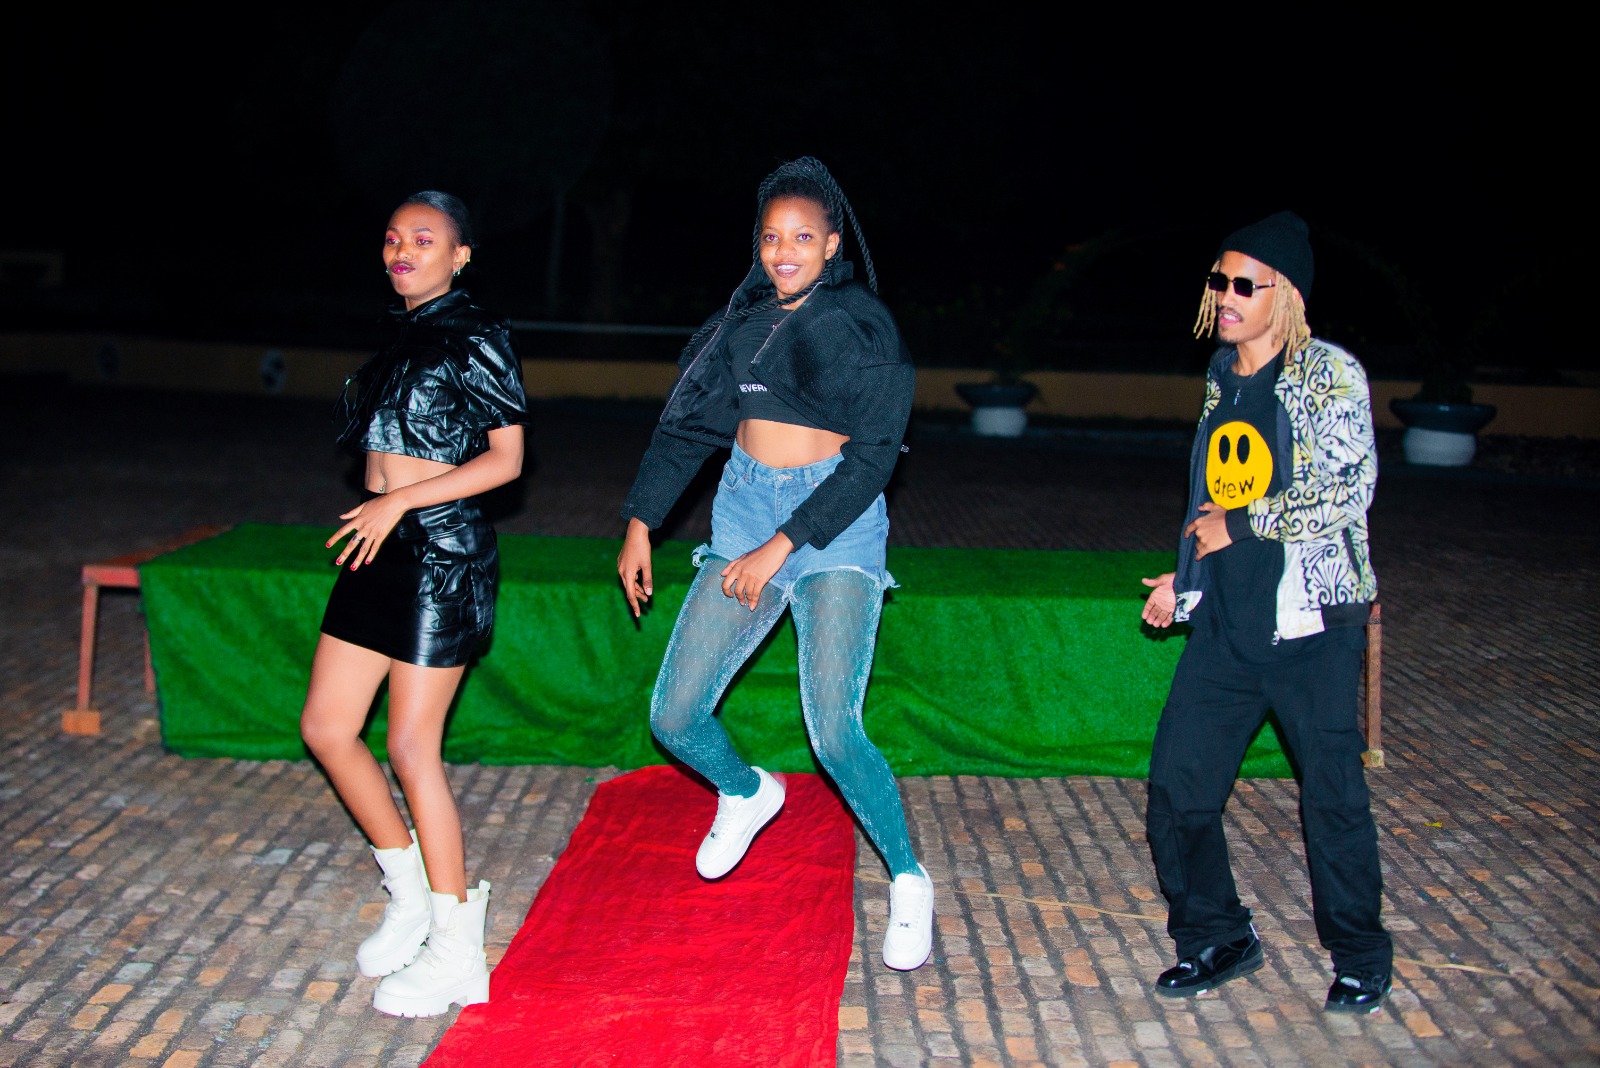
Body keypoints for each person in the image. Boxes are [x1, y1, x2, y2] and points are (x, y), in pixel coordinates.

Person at [615, 156, 934, 971]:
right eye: (771, 238)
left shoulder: (864, 327)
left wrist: (782, 545)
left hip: (836, 523)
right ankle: (746, 790)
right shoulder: (741, 324)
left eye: (801, 237)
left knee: (834, 730)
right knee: (674, 715)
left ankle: (908, 879)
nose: (784, 251)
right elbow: (689, 427)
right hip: (743, 508)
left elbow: (873, 461)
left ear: (832, 245)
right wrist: (642, 521)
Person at [1139, 211, 1394, 1013]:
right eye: (1219, 280)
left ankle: (1360, 954)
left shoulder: (1329, 373)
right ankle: (1216, 935)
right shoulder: (1222, 377)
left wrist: (1242, 526)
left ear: (1286, 294)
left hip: (1313, 625)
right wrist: (1186, 580)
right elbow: (1210, 496)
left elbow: (1348, 488)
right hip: (1229, 624)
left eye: (1244, 284)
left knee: (1332, 797)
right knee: (1177, 789)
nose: (1226, 296)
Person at [299, 190, 528, 1017]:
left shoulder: (478, 333)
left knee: (409, 747)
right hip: (379, 546)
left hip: (442, 553)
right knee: (327, 728)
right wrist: (385, 504)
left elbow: (506, 460)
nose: (402, 250)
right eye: (393, 238)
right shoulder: (400, 333)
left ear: (460, 255)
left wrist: (401, 499)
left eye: (423, 239)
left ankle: (460, 952)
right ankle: (409, 894)